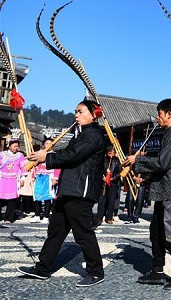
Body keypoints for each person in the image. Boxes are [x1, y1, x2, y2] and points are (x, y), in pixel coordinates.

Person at [18, 100, 106, 287]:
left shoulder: (93, 135)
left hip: (81, 191)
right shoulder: (79, 134)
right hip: (68, 190)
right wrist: (43, 156)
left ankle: (96, 271)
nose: (76, 115)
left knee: (82, 233)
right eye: (75, 111)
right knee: (55, 231)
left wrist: (47, 157)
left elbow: (74, 155)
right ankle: (42, 268)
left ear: (93, 114)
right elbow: (68, 152)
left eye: (80, 111)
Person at [125, 99, 171, 290]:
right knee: (156, 232)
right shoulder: (169, 134)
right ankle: (158, 270)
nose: (158, 117)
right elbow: (165, 166)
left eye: (159, 113)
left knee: (170, 233)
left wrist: (136, 159)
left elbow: (163, 162)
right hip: (164, 189)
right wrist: (145, 179)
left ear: (168, 114)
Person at [31, 138, 60, 224]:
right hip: (39, 176)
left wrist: (56, 178)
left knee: (48, 197)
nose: (48, 145)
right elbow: (34, 166)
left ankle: (46, 216)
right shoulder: (39, 154)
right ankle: (37, 215)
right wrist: (33, 176)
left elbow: (58, 167)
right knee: (37, 197)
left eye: (51, 144)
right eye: (47, 143)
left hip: (49, 177)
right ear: (44, 145)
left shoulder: (55, 155)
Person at [0, 138, 27, 223]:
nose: (16, 148)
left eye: (17, 146)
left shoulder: (20, 156)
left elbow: (23, 167)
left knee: (12, 200)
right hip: (2, 179)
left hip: (14, 180)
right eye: (14, 146)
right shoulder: (1, 154)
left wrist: (22, 178)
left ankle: (8, 218)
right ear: (9, 146)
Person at [95, 146, 121, 225]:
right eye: (109, 153)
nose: (111, 155)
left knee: (111, 201)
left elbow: (119, 172)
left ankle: (109, 217)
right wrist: (102, 177)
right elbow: (99, 170)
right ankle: (99, 217)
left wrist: (113, 178)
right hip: (104, 183)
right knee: (102, 200)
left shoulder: (117, 161)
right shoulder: (103, 160)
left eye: (112, 153)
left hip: (113, 184)